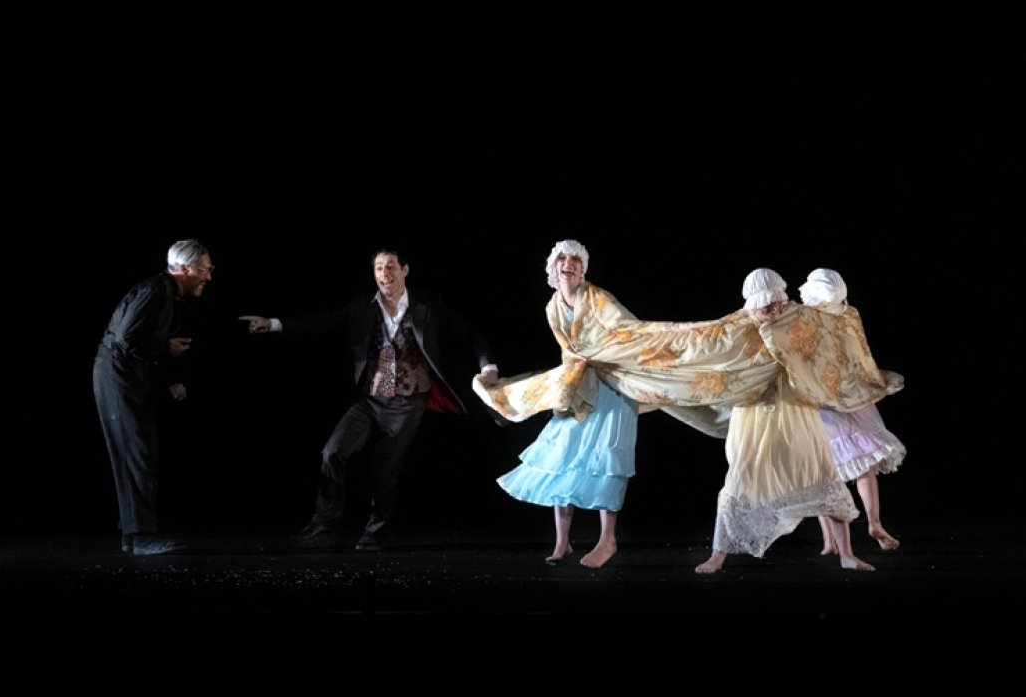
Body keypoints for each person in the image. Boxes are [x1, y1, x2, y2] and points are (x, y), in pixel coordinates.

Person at [239, 248, 500, 551]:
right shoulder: (361, 306)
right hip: (371, 399)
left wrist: (489, 367)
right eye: (378, 269)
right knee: (332, 452)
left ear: (404, 270)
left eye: (390, 267)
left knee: (385, 468)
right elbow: (323, 322)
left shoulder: (428, 305)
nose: (384, 275)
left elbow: (469, 332)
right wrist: (273, 323)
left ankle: (376, 530)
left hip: (408, 401)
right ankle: (323, 523)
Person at [694, 268, 876, 574]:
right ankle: (717, 555)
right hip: (755, 417)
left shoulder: (795, 319)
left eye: (777, 303)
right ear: (754, 304)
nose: (774, 310)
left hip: (796, 410)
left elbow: (828, 331)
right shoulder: (740, 327)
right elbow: (714, 355)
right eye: (767, 306)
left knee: (821, 470)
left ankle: (846, 554)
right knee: (740, 476)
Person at [486, 240, 641, 569]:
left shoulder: (598, 298)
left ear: (583, 269)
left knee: (606, 458)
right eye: (561, 259)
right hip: (580, 387)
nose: (567, 264)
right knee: (561, 454)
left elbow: (631, 332)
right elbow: (569, 352)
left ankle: (607, 540)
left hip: (613, 385)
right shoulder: (553, 305)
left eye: (574, 260)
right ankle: (562, 542)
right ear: (553, 268)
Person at [92, 238, 214, 555]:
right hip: (117, 378)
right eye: (204, 269)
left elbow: (143, 344)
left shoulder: (168, 295)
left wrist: (169, 380)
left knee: (140, 452)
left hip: (129, 377)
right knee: (136, 453)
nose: (208, 276)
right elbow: (126, 339)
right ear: (185, 268)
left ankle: (133, 535)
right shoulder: (154, 291)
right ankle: (141, 535)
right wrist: (165, 347)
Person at [799, 268, 906, 554]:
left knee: (824, 469)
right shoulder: (848, 314)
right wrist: (872, 381)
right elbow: (860, 355)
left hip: (823, 398)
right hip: (853, 394)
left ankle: (830, 540)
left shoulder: (806, 319)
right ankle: (873, 522)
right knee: (863, 463)